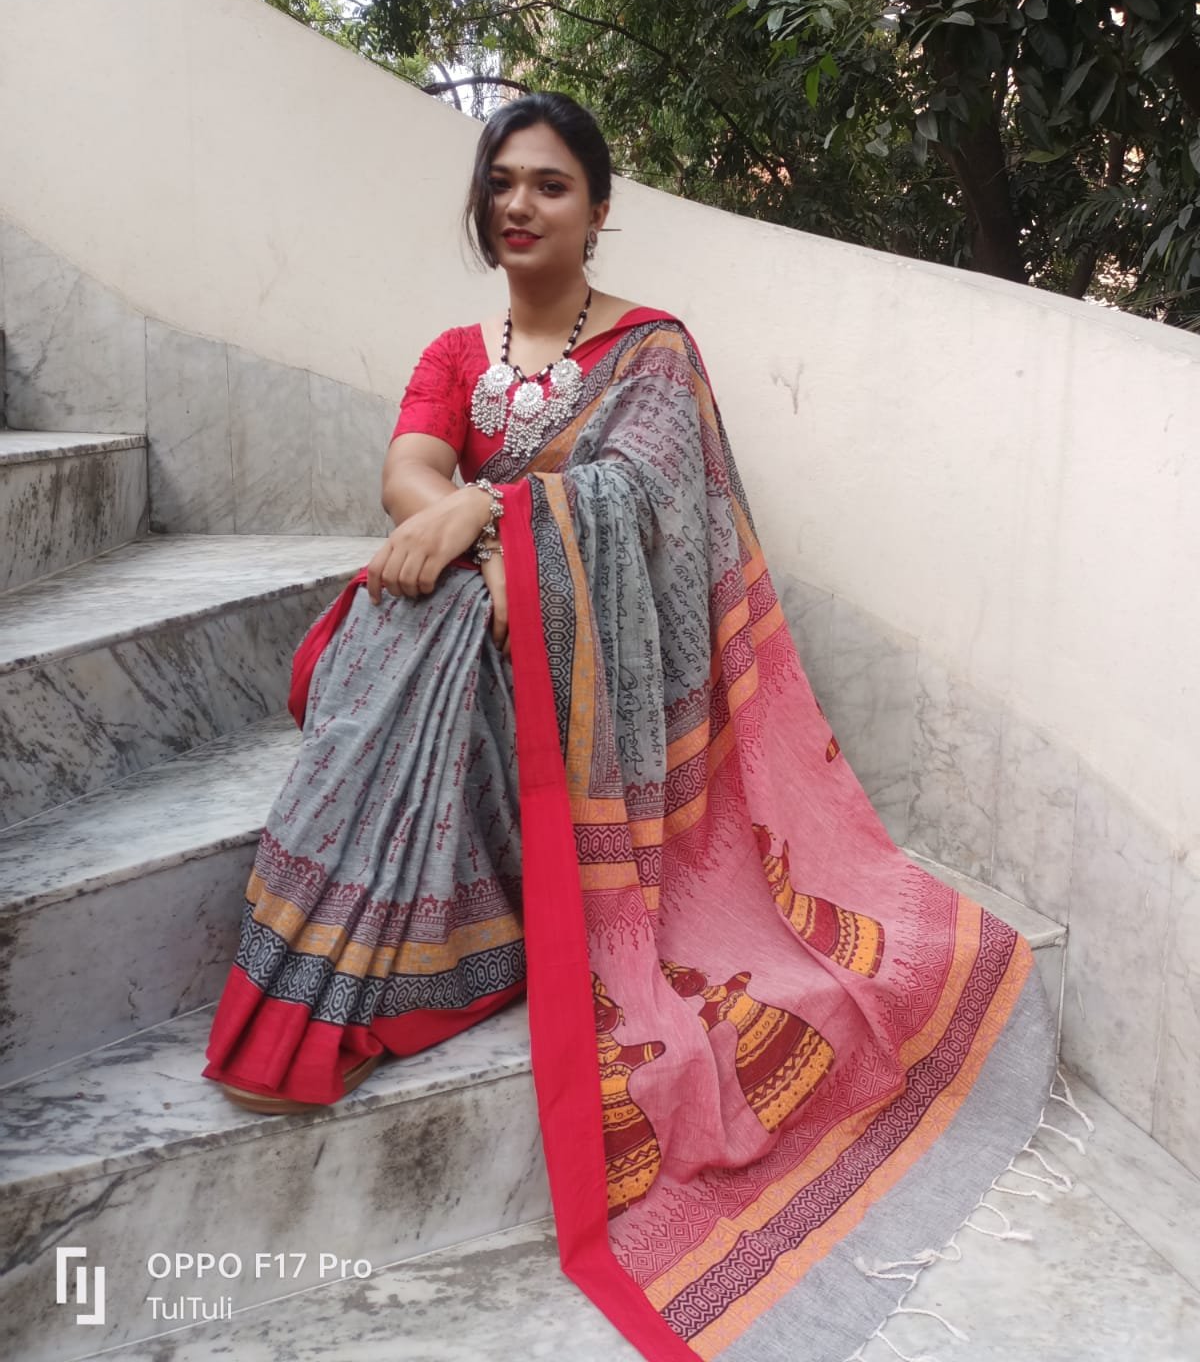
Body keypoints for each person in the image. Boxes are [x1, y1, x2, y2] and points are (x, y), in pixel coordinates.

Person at [202, 92, 1058, 1362]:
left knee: (434, 615)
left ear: (598, 210)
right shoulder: (457, 351)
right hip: (481, 624)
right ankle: (368, 949)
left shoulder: (654, 351)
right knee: (421, 617)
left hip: (603, 675)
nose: (519, 204)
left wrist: (493, 519)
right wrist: (466, 522)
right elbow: (409, 472)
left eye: (550, 184)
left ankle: (366, 966)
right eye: (502, 181)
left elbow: (647, 503)